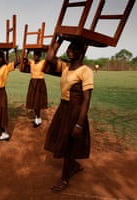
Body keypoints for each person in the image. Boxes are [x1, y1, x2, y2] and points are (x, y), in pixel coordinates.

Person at [43, 40, 94, 192]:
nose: (70, 50)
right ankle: (74, 165)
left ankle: (64, 179)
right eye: (69, 47)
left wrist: (79, 124)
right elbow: (50, 59)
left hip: (75, 111)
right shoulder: (66, 67)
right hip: (64, 108)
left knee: (69, 143)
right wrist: (58, 41)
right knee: (64, 140)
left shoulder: (86, 71)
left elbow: (86, 99)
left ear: (81, 51)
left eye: (74, 48)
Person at [21, 50, 48, 128]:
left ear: (39, 56)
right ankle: (38, 118)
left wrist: (46, 51)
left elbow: (49, 59)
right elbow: (24, 59)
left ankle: (38, 118)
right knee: (33, 101)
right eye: (35, 55)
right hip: (33, 82)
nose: (36, 56)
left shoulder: (42, 62)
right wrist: (28, 51)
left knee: (37, 101)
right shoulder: (31, 62)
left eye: (37, 55)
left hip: (40, 83)